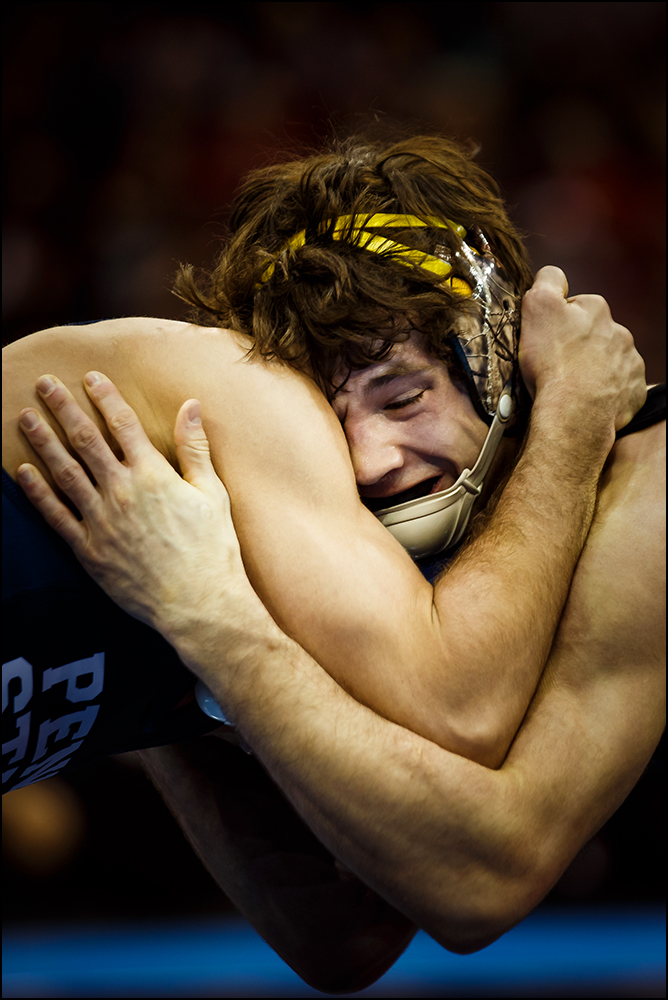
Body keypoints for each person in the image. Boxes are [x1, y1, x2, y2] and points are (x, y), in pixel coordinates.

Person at [3, 134, 663, 989]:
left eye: (403, 396)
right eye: (335, 418)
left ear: (499, 359)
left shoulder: (205, 555)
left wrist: (196, 640)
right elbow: (458, 703)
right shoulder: (239, 391)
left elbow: (353, 933)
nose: (368, 461)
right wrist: (571, 418)